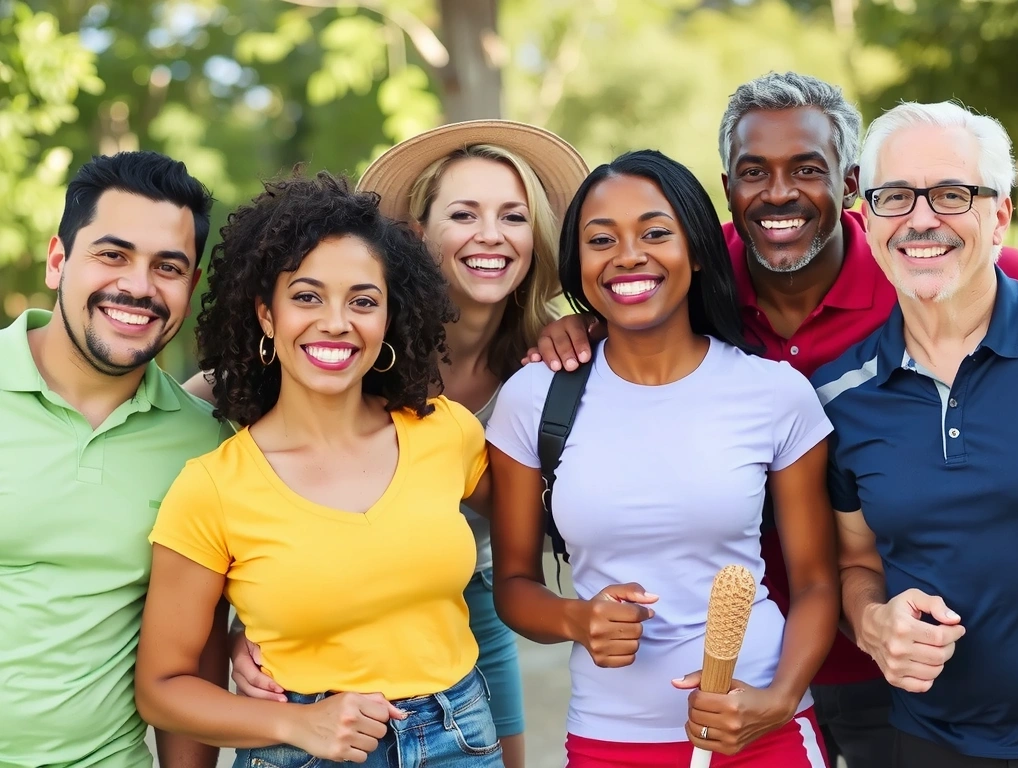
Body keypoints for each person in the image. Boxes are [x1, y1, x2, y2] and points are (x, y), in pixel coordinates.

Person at [523, 71, 1018, 768]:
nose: (780, 192)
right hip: (749, 671)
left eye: (807, 169)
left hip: (907, 673)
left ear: (849, 183)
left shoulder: (923, 264)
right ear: (728, 189)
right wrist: (577, 327)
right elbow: (630, 291)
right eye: (755, 172)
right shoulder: (694, 277)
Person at [198, 119, 589, 768]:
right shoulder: (356, 336)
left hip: (471, 590)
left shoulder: (551, 356)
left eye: (513, 216)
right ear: (417, 234)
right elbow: (216, 396)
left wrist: (595, 325)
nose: (490, 234)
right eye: (464, 214)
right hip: (326, 602)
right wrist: (255, 624)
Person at [134, 171, 502, 768]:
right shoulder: (212, 488)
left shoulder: (448, 432)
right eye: (307, 297)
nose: (336, 322)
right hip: (301, 751)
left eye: (363, 300)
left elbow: (549, 522)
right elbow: (162, 689)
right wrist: (298, 721)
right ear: (266, 315)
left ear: (389, 319)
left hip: (460, 737)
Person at [485, 149, 839, 767]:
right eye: (602, 239)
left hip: (761, 732)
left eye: (655, 233)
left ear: (697, 250)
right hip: (609, 740)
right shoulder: (534, 397)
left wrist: (778, 701)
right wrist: (577, 619)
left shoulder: (774, 392)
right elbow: (514, 586)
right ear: (580, 264)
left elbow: (814, 581)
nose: (628, 255)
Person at [0, 151, 231, 768]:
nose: (138, 286)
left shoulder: (203, 447)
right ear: (58, 260)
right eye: (112, 254)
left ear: (192, 285)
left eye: (168, 267)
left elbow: (195, 656)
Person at [812, 102, 1018, 768]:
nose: (922, 219)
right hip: (930, 743)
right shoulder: (840, 398)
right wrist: (873, 623)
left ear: (999, 216)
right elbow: (857, 562)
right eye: (895, 197)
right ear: (869, 221)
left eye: (952, 193)